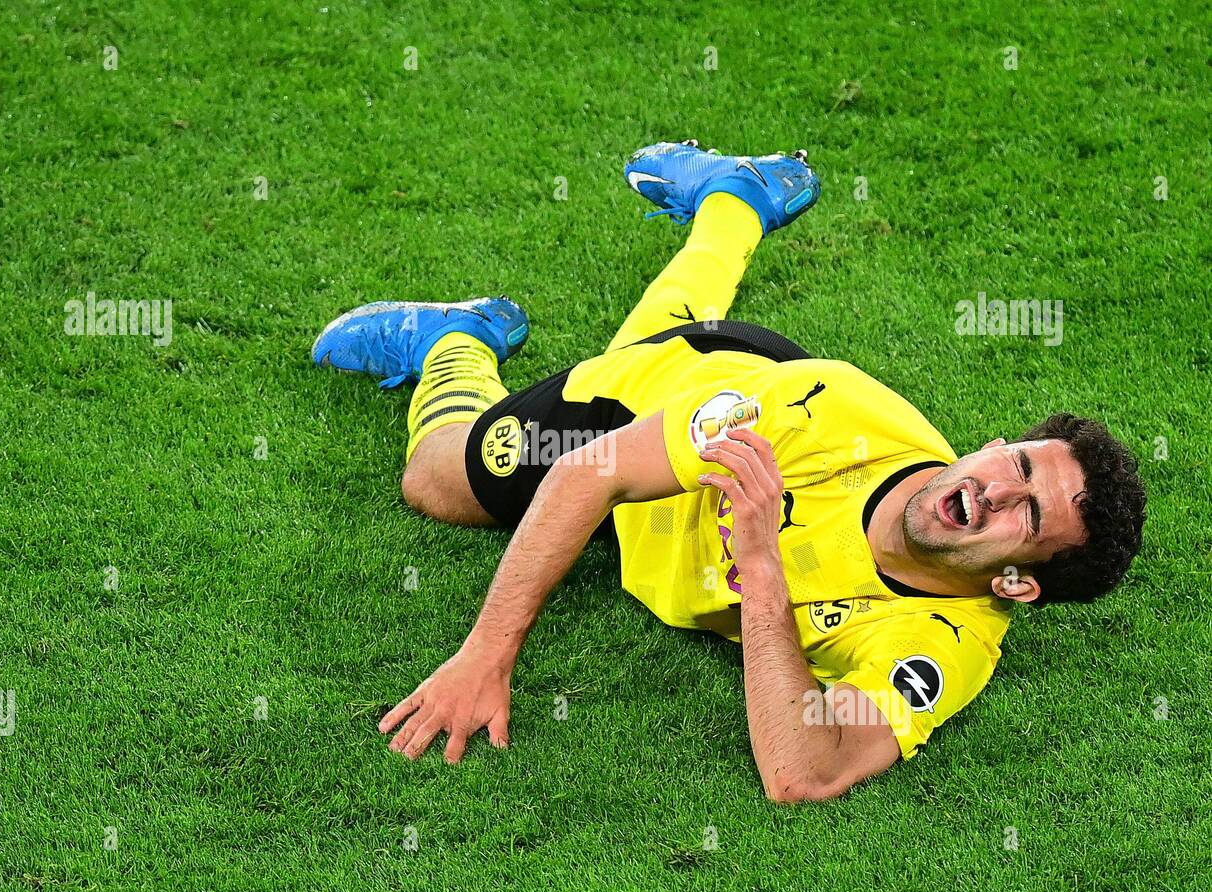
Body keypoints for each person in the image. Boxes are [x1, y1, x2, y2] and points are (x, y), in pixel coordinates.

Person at [311, 140, 1146, 802]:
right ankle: (455, 341)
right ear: (1000, 442)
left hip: (715, 433)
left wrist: (762, 566)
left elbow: (803, 773)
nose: (996, 488)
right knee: (437, 479)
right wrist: (486, 656)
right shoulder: (834, 409)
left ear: (1018, 585)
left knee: (655, 325)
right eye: (1020, 462)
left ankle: (736, 200)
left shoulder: (945, 645)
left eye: (1027, 517)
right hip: (664, 402)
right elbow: (589, 473)